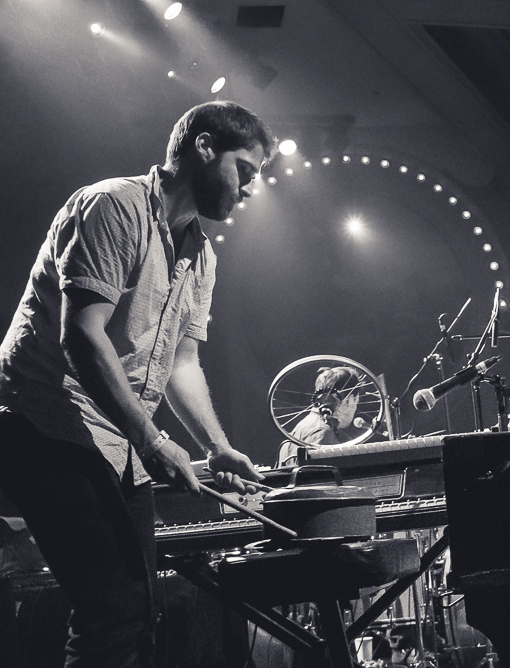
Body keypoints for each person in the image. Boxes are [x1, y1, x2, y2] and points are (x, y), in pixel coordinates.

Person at [0, 101, 273, 667]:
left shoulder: (201, 255)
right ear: (204, 148)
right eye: (245, 170)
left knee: (138, 609)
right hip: (45, 422)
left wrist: (216, 448)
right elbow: (82, 334)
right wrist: (152, 439)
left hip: (117, 437)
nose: (250, 189)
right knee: (115, 609)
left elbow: (182, 364)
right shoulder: (113, 206)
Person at [277, 366, 361, 466]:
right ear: (350, 399)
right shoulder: (324, 432)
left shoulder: (304, 424)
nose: (354, 409)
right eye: (356, 402)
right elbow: (323, 479)